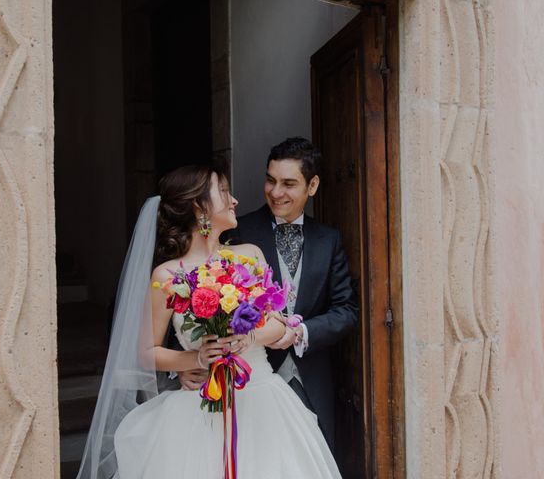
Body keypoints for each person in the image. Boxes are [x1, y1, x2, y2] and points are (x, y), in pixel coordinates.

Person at [76, 165, 341, 479]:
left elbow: (278, 326)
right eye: (225, 192)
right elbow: (146, 351)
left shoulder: (249, 256)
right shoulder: (167, 276)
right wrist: (196, 357)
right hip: (201, 406)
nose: (235, 200)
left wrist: (250, 338)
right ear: (200, 207)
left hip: (264, 401)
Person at [221, 137, 358, 452]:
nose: (275, 192)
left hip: (312, 379)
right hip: (249, 381)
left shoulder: (329, 240)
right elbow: (203, 293)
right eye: (270, 180)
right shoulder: (236, 232)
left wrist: (301, 332)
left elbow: (346, 309)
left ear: (312, 186)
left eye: (288, 183)